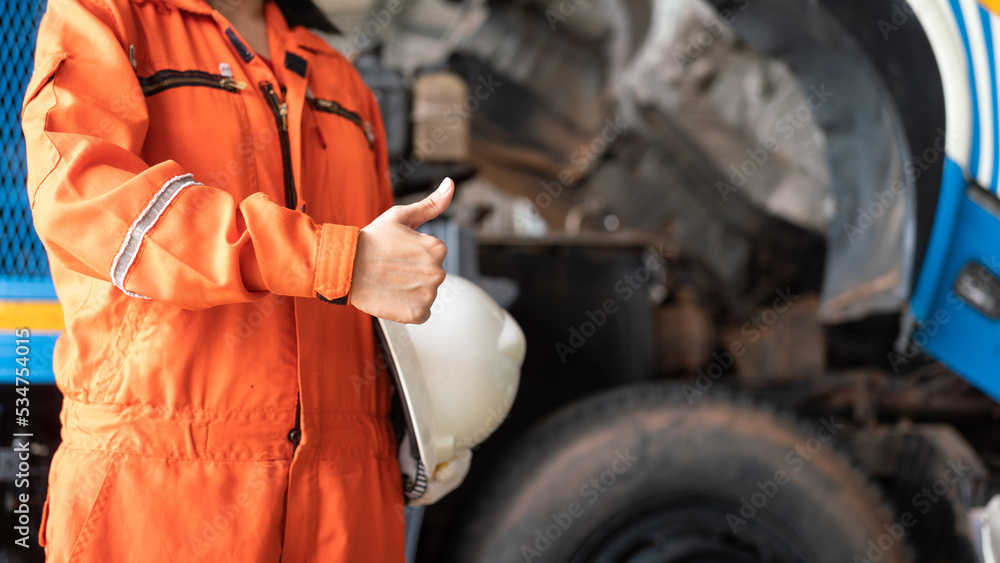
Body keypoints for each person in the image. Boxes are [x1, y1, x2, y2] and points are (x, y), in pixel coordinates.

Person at [21, 0, 452, 560]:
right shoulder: (106, 20)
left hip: (350, 501)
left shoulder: (338, 76)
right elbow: (85, 199)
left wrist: (421, 421)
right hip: (159, 494)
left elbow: (378, 283)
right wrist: (329, 259)